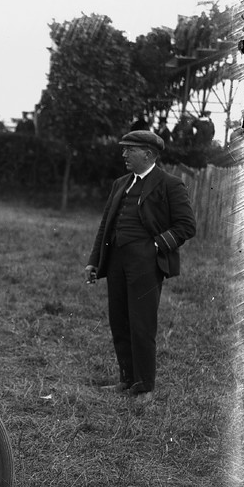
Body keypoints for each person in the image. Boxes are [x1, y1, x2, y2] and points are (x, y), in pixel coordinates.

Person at [84, 130, 196, 404]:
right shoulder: (121, 183)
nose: (123, 154)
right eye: (124, 149)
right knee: (119, 321)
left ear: (148, 154)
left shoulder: (169, 184)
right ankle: (127, 379)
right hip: (117, 262)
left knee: (142, 325)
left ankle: (145, 387)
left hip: (146, 265)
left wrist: (155, 246)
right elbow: (105, 226)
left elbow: (187, 226)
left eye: (129, 150)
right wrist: (94, 261)